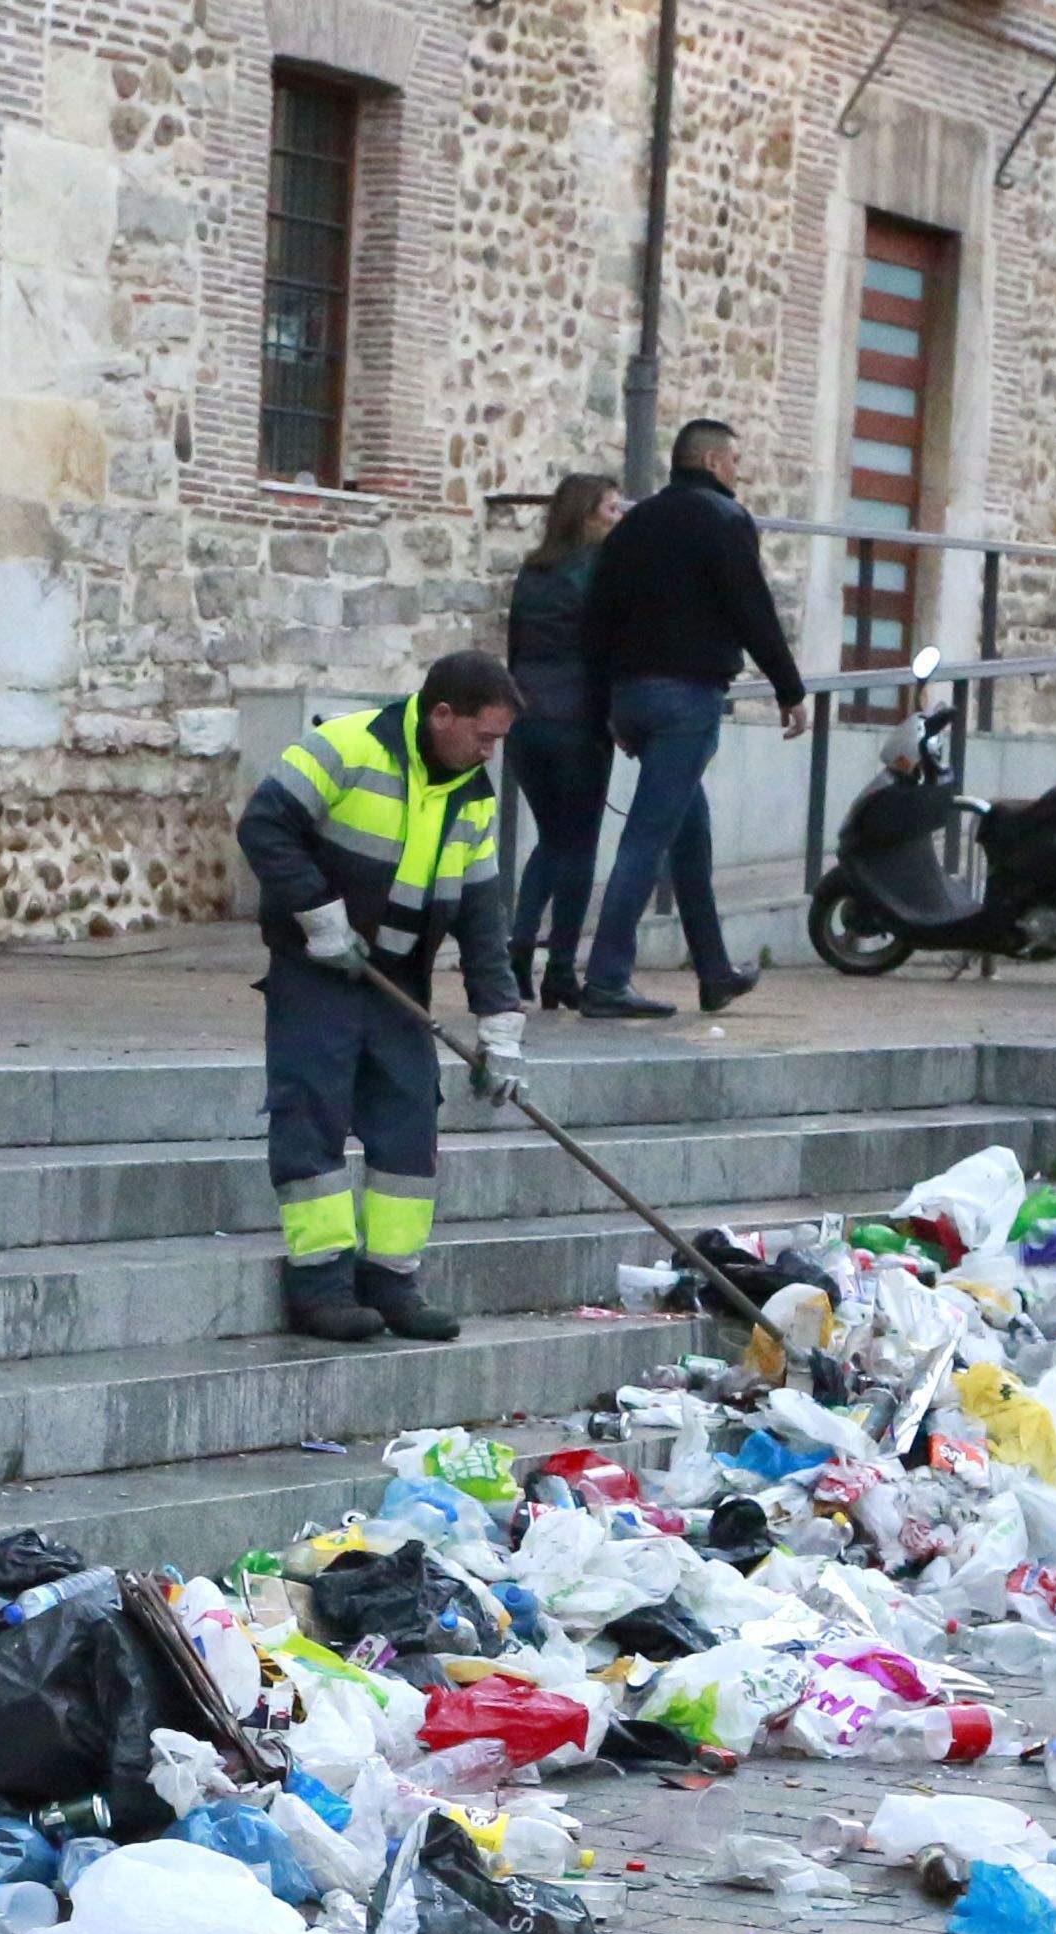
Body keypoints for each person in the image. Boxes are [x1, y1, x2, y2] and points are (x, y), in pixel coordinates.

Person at [236, 650, 527, 1345]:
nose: (490, 752)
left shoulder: (473, 797)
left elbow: (484, 917)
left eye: (498, 741)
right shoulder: (345, 746)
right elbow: (264, 826)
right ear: (442, 714)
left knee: (407, 1124)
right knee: (313, 1112)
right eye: (482, 736)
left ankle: (392, 1281)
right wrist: (316, 914)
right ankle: (321, 1286)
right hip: (316, 970)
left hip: (398, 981)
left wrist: (501, 1026)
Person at [574, 418, 805, 1020]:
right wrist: (789, 687)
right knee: (647, 838)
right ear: (707, 460)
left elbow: (596, 618)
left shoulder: (632, 526)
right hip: (687, 698)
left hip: (632, 696)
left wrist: (608, 706)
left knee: (688, 832)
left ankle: (713, 971)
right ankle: (605, 979)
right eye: (733, 460)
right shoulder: (724, 520)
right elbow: (751, 607)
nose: (739, 472)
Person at [501, 472, 623, 1008]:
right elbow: (607, 650)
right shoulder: (602, 571)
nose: (617, 520)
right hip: (578, 719)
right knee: (578, 847)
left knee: (551, 840)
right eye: (611, 510)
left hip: (527, 718)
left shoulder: (532, 572)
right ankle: (560, 968)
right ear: (586, 516)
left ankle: (520, 946)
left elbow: (515, 647)